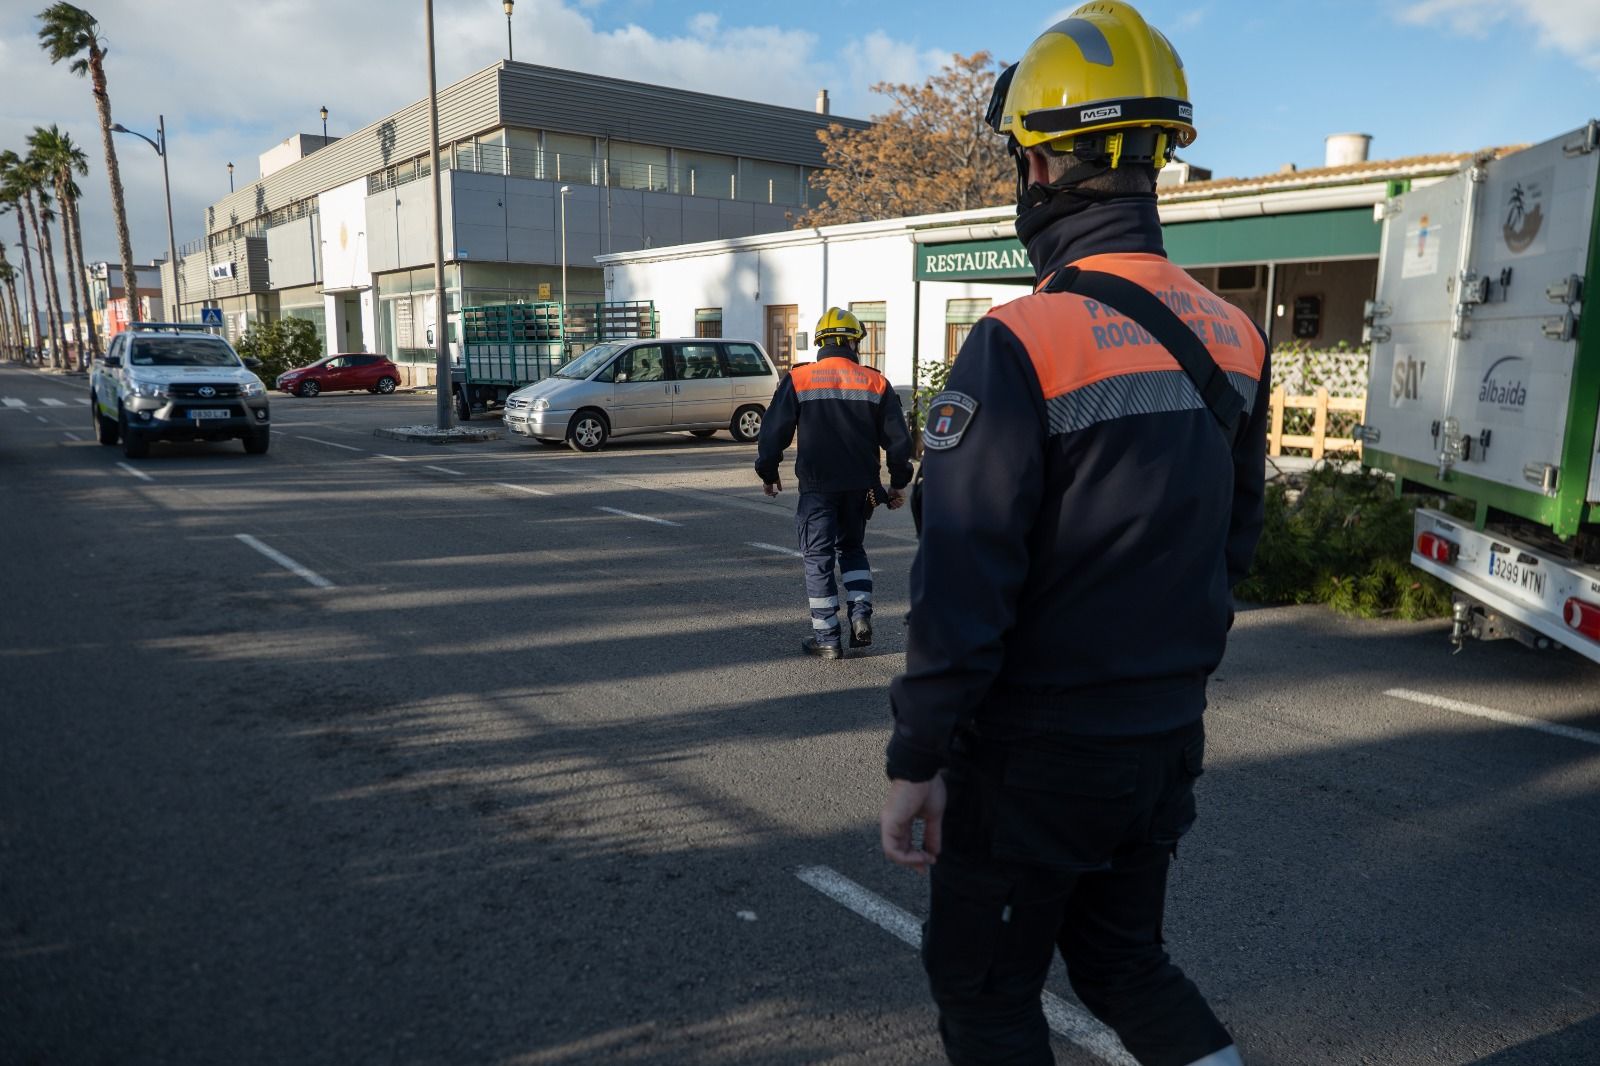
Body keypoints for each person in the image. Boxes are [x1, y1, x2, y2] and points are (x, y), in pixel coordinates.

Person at [878, 4, 1270, 1064]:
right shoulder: (1236, 335)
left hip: (1034, 756)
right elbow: (1233, 543)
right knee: (1126, 965)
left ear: (1041, 164)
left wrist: (918, 756)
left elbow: (965, 576)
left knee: (986, 993)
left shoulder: (1019, 338)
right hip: (1163, 739)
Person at [756, 307, 914, 659]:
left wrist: (768, 473)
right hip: (861, 489)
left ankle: (827, 637)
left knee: (818, 558)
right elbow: (898, 441)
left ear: (820, 343)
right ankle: (860, 615)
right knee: (852, 548)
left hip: (817, 488)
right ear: (854, 343)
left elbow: (772, 432)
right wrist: (897, 483)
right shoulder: (875, 382)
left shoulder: (799, 378)